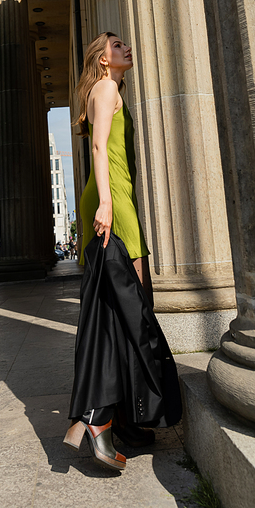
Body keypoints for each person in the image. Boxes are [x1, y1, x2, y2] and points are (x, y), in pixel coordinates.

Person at [64, 32, 181, 471]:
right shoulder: (107, 86)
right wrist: (109, 204)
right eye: (116, 45)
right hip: (114, 201)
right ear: (101, 57)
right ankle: (100, 417)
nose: (126, 48)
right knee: (132, 310)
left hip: (115, 197)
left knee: (121, 309)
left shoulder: (105, 89)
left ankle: (123, 419)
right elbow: (98, 147)